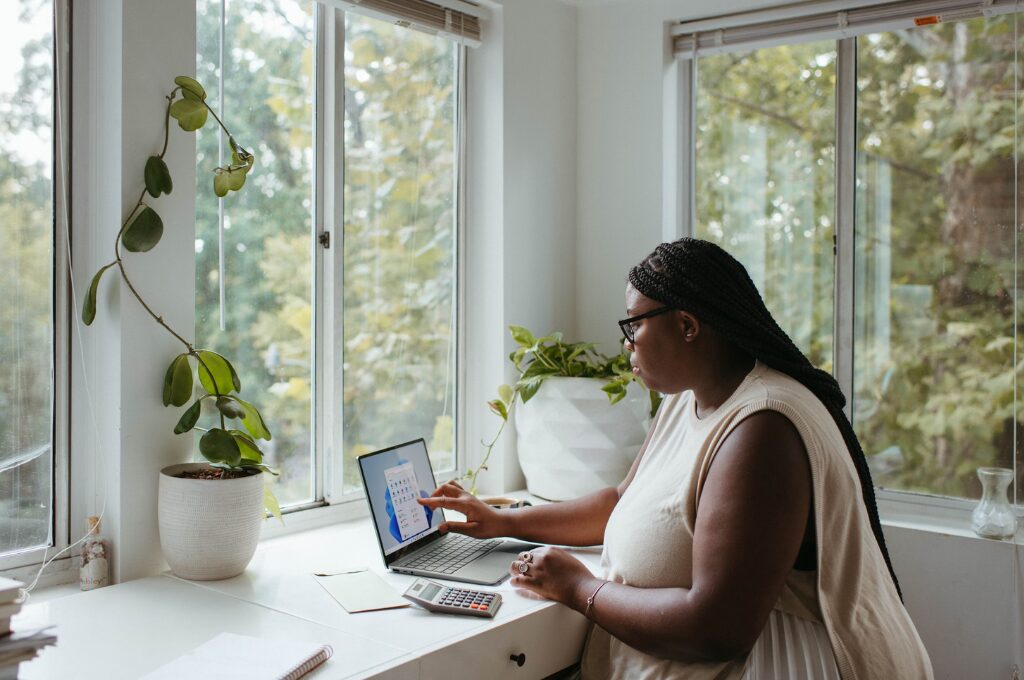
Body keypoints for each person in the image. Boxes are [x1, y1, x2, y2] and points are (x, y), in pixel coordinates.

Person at [419, 238, 933, 679]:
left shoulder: (763, 428)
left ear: (687, 325)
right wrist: (505, 520)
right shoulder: (687, 398)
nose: (627, 345)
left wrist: (579, 587)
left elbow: (716, 629)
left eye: (634, 326)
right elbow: (622, 500)